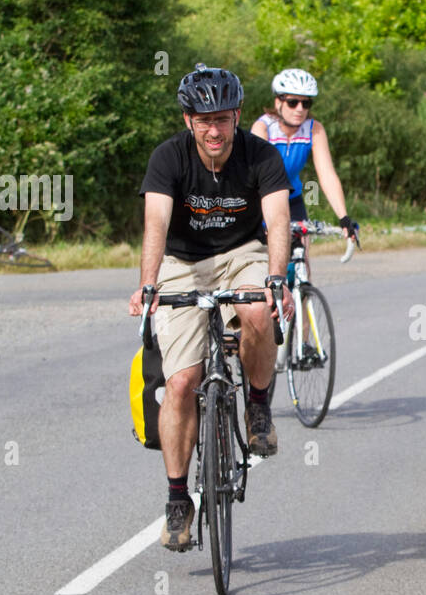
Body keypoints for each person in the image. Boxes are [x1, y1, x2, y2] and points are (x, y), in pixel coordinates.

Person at [128, 63, 294, 549]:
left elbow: (278, 219)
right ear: (188, 121)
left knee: (259, 312)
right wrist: (148, 283)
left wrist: (275, 278)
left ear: (238, 116)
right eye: (204, 120)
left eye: (223, 118)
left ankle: (259, 407)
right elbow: (156, 222)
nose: (215, 129)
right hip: (182, 262)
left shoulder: (260, 155)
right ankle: (178, 498)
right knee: (181, 382)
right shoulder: (168, 158)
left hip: (243, 254)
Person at [250, 69, 357, 250]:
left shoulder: (314, 129)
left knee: (302, 255)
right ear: (278, 103)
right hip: (263, 198)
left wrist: (344, 218)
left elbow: (326, 174)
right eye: (292, 102)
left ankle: (301, 277)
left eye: (306, 103)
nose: (300, 109)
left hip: (293, 198)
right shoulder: (263, 128)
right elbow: (256, 175)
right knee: (269, 258)